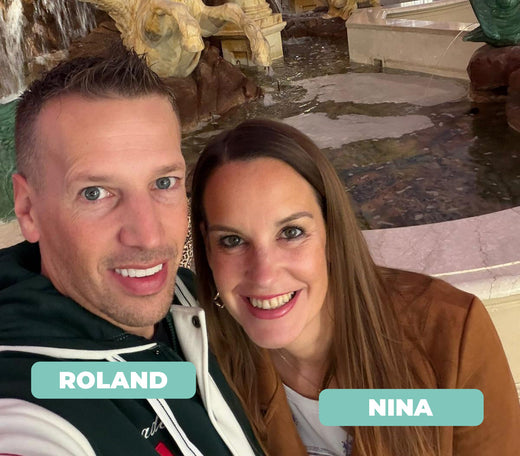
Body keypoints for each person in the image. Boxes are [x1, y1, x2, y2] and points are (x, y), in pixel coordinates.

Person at [190, 118, 520, 456]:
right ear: (207, 247)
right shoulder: (201, 362)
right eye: (232, 240)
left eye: (291, 233)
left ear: (331, 232)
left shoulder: (449, 332)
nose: (264, 275)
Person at [0, 48, 264, 456]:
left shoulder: (189, 293)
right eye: (94, 193)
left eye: (164, 183)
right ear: (28, 209)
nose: (148, 236)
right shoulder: (27, 408)